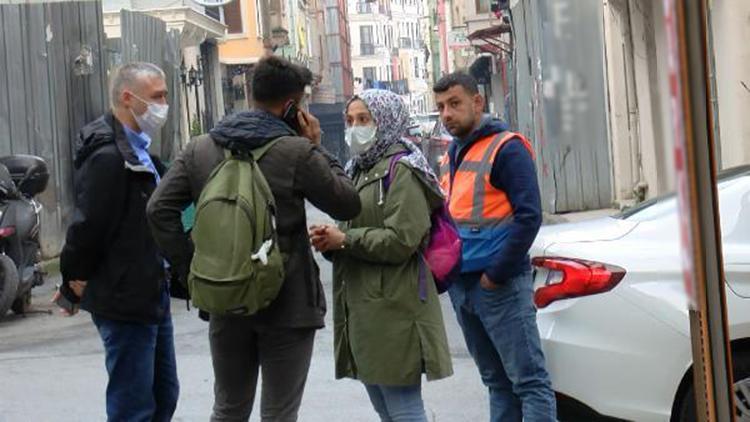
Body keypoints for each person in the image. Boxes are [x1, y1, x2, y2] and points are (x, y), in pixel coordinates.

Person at [146, 55, 361, 422]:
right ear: (293, 105)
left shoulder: (200, 149)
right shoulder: (297, 152)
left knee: (228, 409)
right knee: (279, 414)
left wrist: (193, 269)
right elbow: (347, 203)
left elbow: (158, 209)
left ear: (252, 93)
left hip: (225, 296)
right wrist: (318, 145)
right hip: (289, 302)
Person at [310, 89, 453, 422]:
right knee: (384, 408)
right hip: (364, 305)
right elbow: (351, 231)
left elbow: (403, 239)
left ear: (385, 120)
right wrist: (331, 241)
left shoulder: (403, 168)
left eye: (364, 119)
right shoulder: (358, 168)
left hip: (396, 306)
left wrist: (345, 239)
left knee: (403, 409)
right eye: (350, 121)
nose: (354, 128)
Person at [54, 62, 178, 421]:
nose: (164, 104)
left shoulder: (141, 152)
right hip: (125, 297)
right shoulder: (109, 157)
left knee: (164, 396)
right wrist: (72, 279)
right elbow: (89, 226)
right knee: (133, 408)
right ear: (128, 97)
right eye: (157, 96)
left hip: (152, 291)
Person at [433, 72, 557, 421]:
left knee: (529, 383)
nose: (446, 114)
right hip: (464, 287)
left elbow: (529, 216)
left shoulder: (507, 148)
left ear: (477, 102)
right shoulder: (452, 154)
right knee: (496, 383)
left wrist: (495, 275)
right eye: (441, 106)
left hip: (498, 286)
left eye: (454, 103)